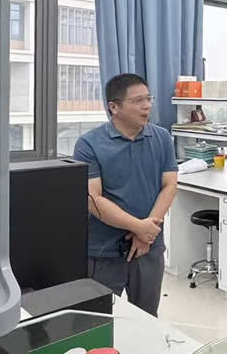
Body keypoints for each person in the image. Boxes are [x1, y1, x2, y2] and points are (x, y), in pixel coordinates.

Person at [74, 73, 177, 316]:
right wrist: (139, 227)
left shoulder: (161, 137)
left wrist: (146, 233)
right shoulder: (89, 144)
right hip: (105, 251)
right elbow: (93, 199)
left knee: (147, 318)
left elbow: (169, 185)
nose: (147, 106)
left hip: (149, 248)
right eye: (138, 100)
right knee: (99, 319)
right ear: (114, 107)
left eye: (149, 99)